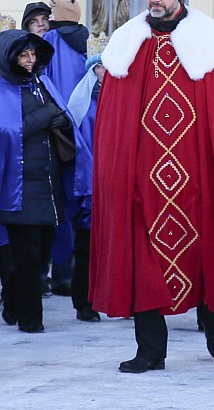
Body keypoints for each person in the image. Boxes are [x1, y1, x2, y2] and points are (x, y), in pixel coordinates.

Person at [89, 0, 214, 373]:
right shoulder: (127, 46)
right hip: (142, 182)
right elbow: (114, 121)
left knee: (204, 251)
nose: (155, 0)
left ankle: (211, 320)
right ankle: (150, 350)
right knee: (142, 263)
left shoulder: (209, 45)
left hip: (197, 177)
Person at [0, 28, 91, 333]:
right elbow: (10, 131)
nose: (29, 60)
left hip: (49, 184)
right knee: (25, 255)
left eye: (32, 54)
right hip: (17, 186)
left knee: (39, 254)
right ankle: (30, 319)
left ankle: (12, 302)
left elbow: (64, 116)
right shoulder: (2, 88)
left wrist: (55, 115)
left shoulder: (41, 82)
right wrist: (45, 116)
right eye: (22, 55)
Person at [65, 32, 110, 322]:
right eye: (100, 67)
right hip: (92, 185)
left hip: (115, 183)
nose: (105, 72)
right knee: (87, 246)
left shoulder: (120, 99)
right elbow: (78, 147)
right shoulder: (82, 103)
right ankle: (85, 300)